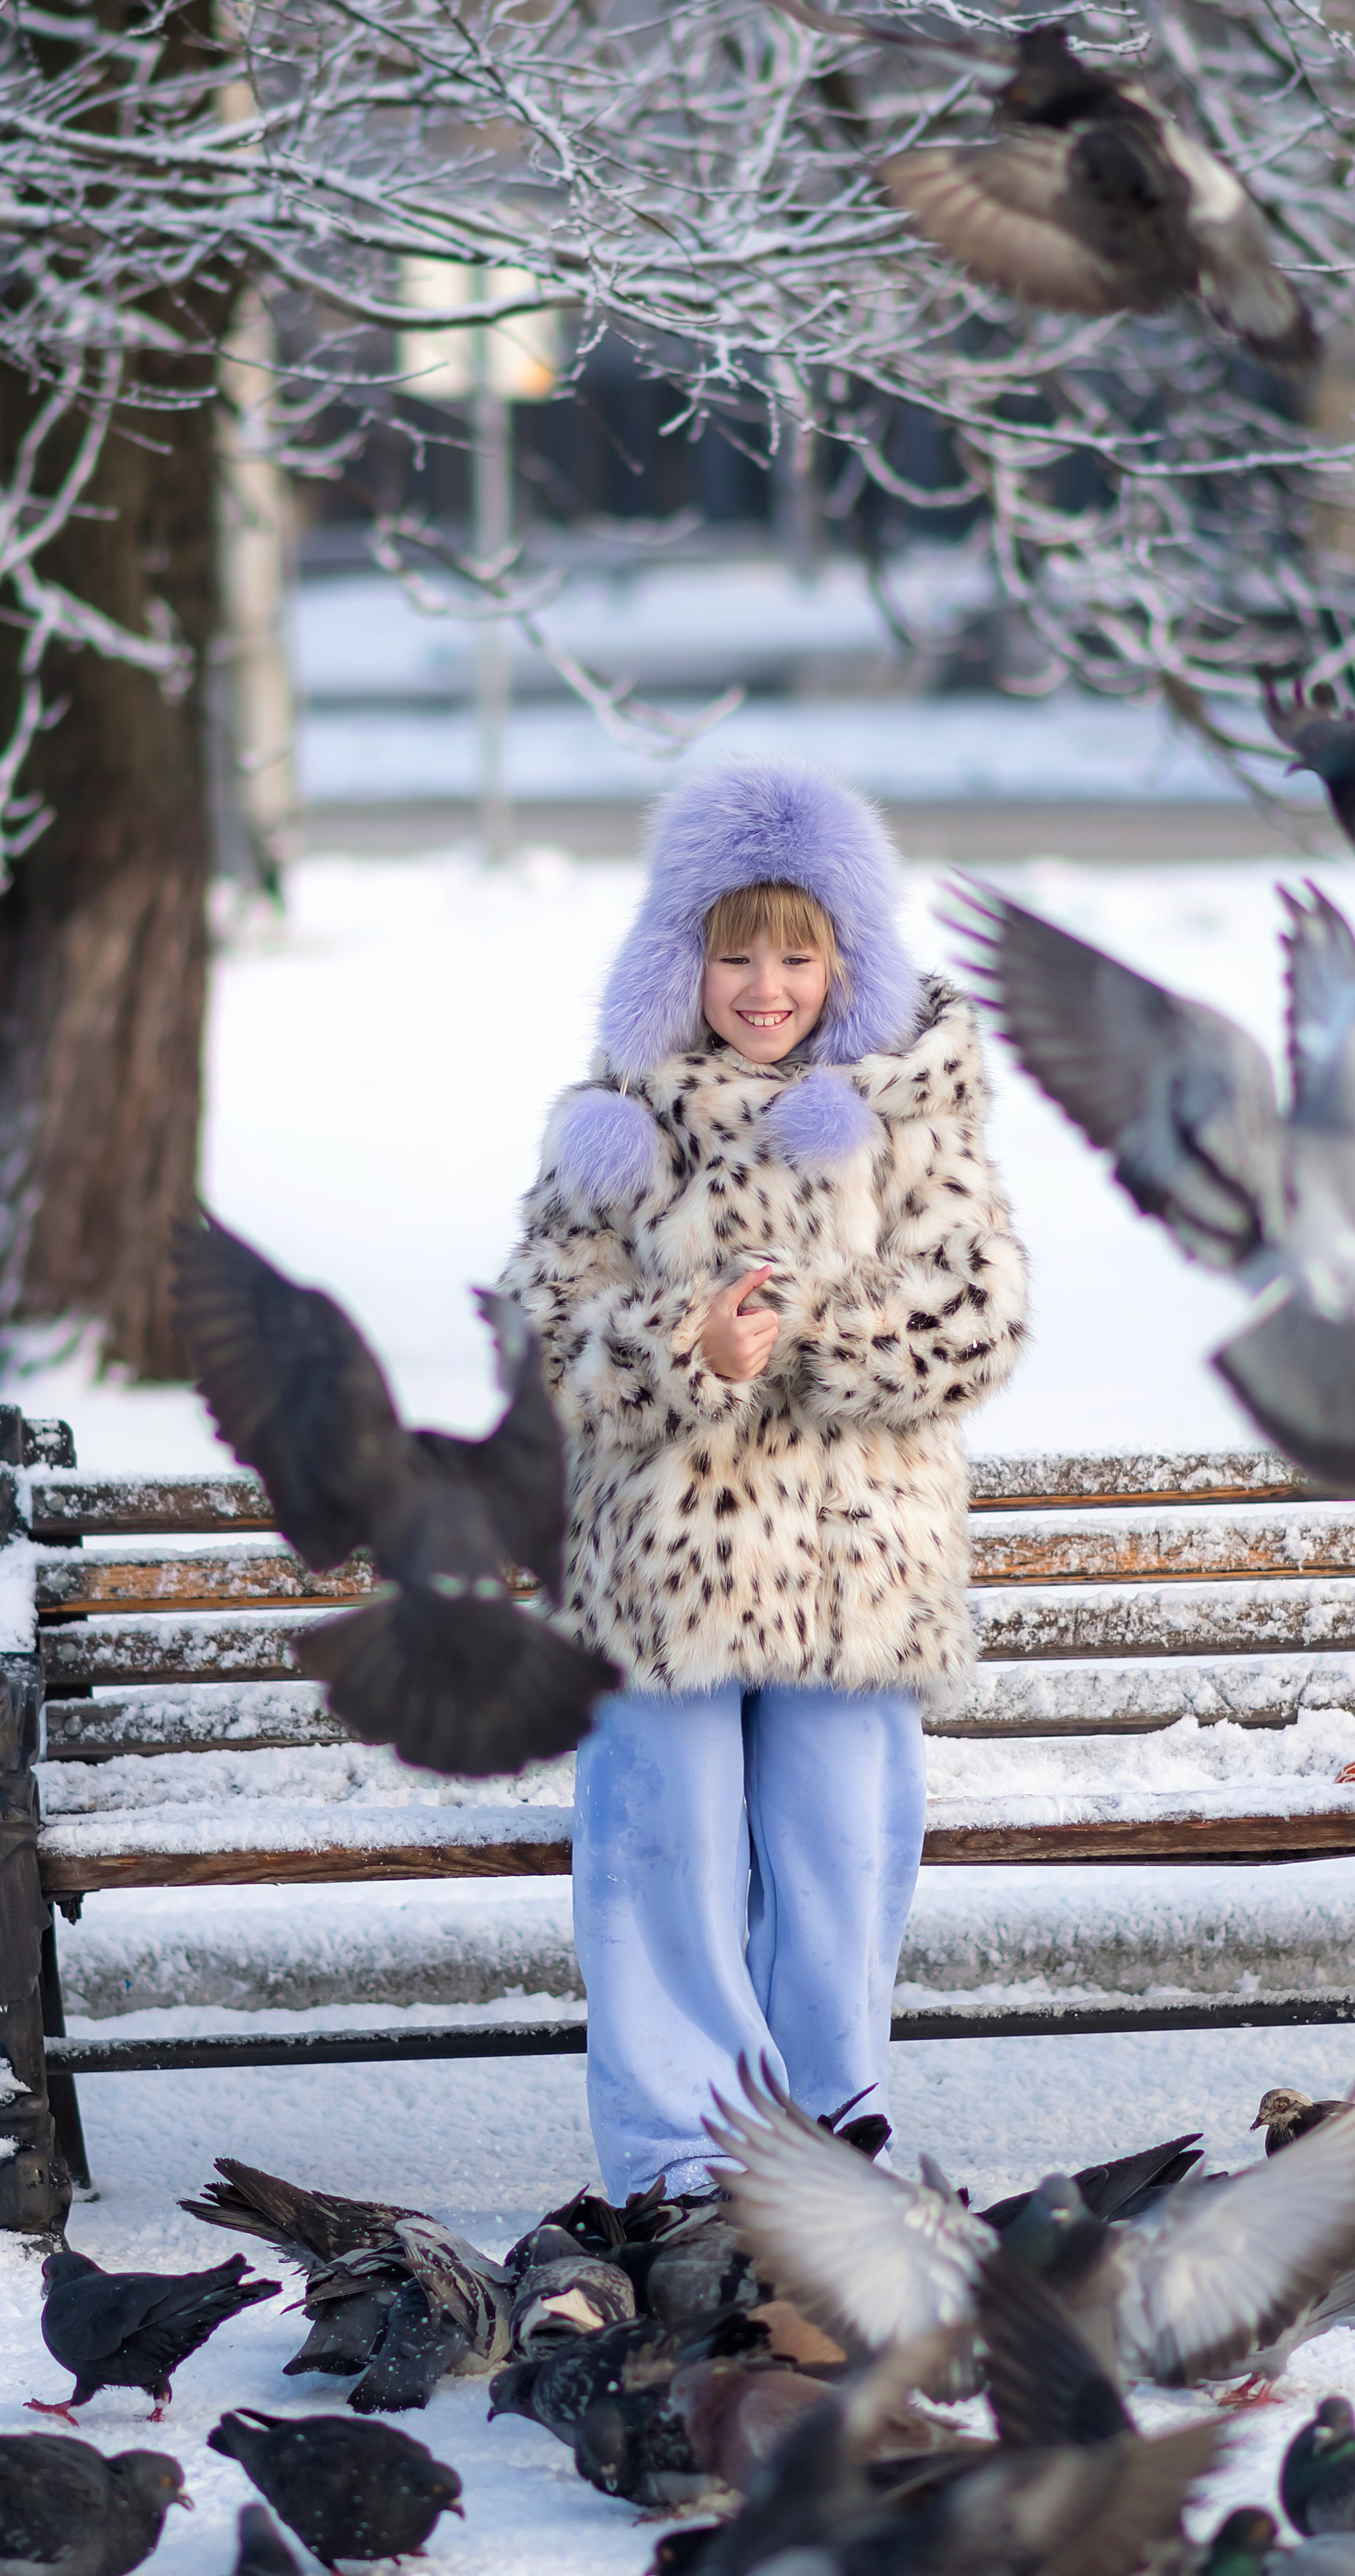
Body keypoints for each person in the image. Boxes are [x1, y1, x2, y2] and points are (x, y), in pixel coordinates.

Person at [500, 761, 1028, 2196]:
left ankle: (828, 2136)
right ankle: (682, 2156)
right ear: (682, 956)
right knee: (659, 1857)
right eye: (733, 950)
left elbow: (975, 1312)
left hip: (854, 1566)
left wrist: (800, 1335)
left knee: (837, 1857)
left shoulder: (911, 1103)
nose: (764, 983)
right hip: (664, 1575)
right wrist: (687, 1353)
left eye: (797, 951)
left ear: (846, 956)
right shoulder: (619, 1121)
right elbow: (544, 1339)